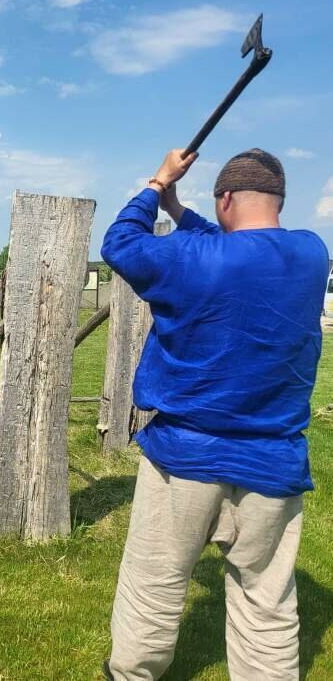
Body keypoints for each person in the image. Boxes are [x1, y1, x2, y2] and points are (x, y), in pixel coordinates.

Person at [101, 148, 328, 680]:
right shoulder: (312, 254)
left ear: (224, 198)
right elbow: (234, 247)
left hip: (185, 455)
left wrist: (158, 184)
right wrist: (182, 211)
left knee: (155, 582)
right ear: (279, 200)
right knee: (266, 601)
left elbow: (121, 244)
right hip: (273, 461)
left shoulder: (188, 261)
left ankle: (131, 674)